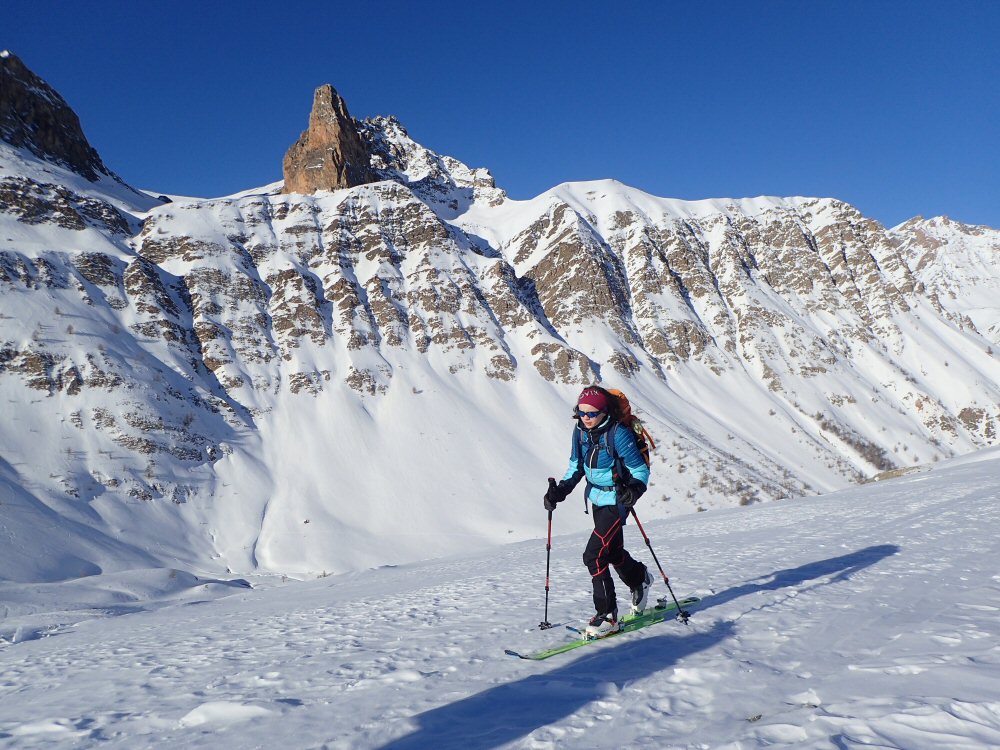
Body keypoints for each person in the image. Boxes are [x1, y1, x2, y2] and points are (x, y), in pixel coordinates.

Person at [544, 385, 653, 638]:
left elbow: (639, 470)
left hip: (617, 500)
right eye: (581, 413)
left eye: (592, 413)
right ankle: (639, 579)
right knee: (611, 551)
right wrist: (559, 492)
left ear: (604, 412)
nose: (586, 417)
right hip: (596, 497)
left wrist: (635, 490)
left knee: (593, 556)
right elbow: (576, 466)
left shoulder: (619, 434)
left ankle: (608, 616)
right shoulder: (581, 432)